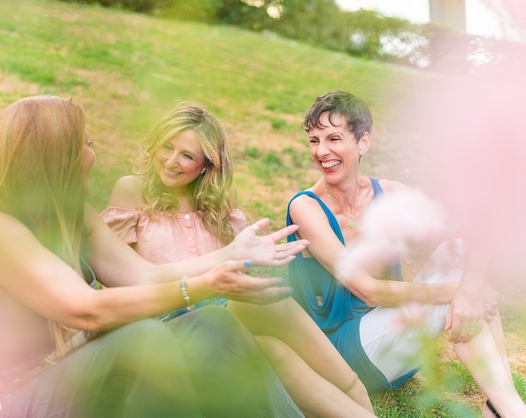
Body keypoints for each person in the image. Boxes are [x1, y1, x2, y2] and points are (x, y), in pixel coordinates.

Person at [0, 95, 317, 418]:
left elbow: (144, 276)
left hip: (64, 377)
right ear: (57, 156)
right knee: (142, 339)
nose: (94, 154)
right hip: (3, 402)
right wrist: (203, 285)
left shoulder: (75, 215)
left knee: (211, 325)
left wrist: (231, 253)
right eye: (87, 144)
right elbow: (85, 308)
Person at [101, 101, 376, 418]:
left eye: (187, 155)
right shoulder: (133, 190)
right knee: (270, 325)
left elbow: (234, 268)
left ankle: (360, 404)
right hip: (161, 319)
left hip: (219, 311)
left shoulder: (219, 201)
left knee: (273, 345)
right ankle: (356, 394)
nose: (171, 161)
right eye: (167, 147)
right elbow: (119, 279)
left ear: (206, 164)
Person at [285, 90, 526, 418]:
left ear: (363, 143)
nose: (322, 151)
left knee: (458, 254)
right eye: (315, 141)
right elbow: (366, 289)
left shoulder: (388, 193)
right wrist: (463, 291)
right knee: (460, 294)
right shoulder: (305, 207)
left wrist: (472, 286)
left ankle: (497, 405)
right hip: (337, 355)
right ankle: (514, 412)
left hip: (391, 341)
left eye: (334, 138)